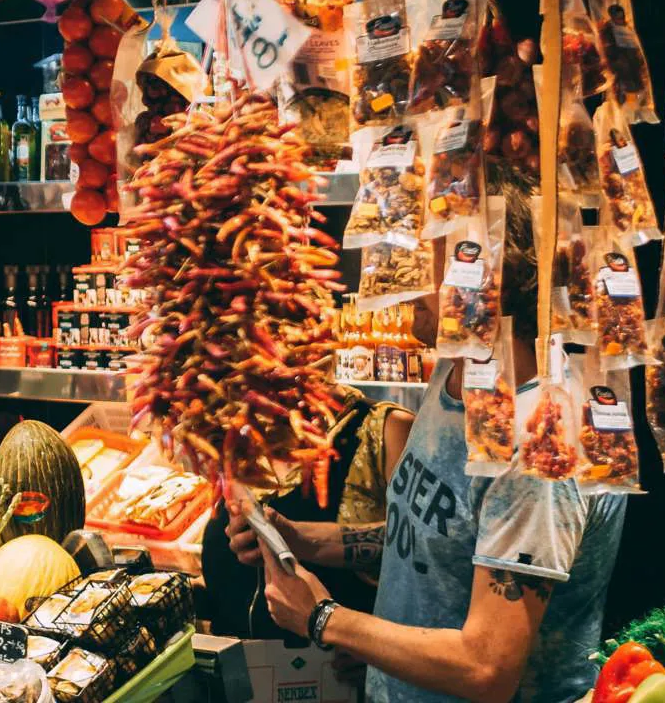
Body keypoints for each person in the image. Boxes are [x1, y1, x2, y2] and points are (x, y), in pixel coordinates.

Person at [229, 171, 626, 702]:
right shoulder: (456, 375)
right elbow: (435, 539)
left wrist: (324, 618)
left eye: (430, 254)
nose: (403, 274)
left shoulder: (542, 443)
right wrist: (306, 541)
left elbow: (486, 667)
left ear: (487, 276)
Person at [201, 388, 412, 638]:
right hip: (234, 669)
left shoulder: (385, 430)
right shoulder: (232, 439)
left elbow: (427, 560)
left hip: (334, 665)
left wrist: (378, 647)